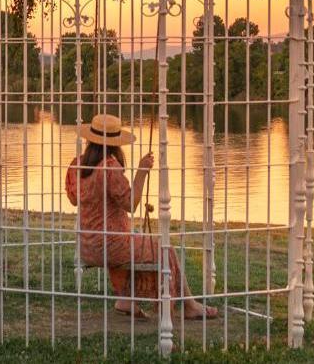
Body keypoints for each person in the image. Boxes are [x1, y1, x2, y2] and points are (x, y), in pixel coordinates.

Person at [65, 113, 217, 320]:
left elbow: (74, 199)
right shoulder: (109, 168)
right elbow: (130, 204)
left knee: (138, 239)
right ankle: (189, 305)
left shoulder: (77, 166)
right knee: (165, 248)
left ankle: (126, 301)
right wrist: (142, 171)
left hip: (87, 244)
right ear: (115, 144)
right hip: (111, 246)